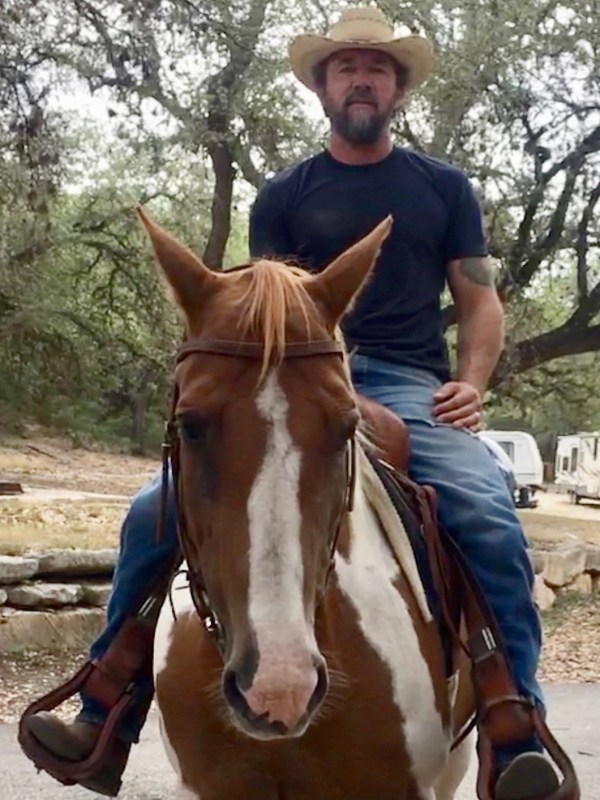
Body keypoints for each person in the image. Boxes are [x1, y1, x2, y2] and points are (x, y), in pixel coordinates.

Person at [20, 8, 566, 800]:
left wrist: (472, 383)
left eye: (377, 68)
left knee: (485, 512)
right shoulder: (283, 194)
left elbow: (479, 300)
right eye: (346, 67)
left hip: (410, 386)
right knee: (149, 514)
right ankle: (108, 704)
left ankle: (517, 725)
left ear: (399, 88)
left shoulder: (443, 189)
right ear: (321, 86)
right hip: (294, 381)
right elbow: (261, 307)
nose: (361, 80)